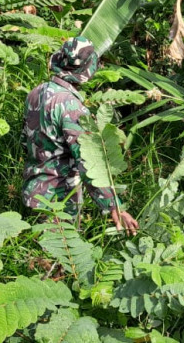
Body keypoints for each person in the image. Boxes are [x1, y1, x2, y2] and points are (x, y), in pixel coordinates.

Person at [21, 37, 139, 235]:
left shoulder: (35, 93)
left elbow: (25, 141)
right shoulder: (72, 108)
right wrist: (113, 206)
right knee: (63, 259)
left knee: (41, 256)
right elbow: (88, 162)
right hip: (59, 201)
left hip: (33, 191)